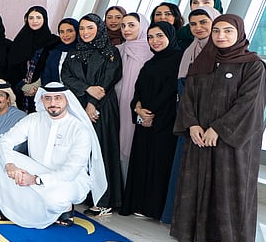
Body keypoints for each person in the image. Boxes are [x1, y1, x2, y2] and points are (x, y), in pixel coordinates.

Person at [172, 15, 266, 242]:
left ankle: (229, 240)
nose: (221, 36)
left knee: (230, 189)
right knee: (200, 182)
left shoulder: (252, 65)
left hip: (233, 141)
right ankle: (200, 233)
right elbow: (188, 97)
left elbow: (249, 104)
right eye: (216, 31)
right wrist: (192, 124)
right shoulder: (204, 61)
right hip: (200, 137)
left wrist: (219, 129)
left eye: (227, 31)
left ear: (239, 33)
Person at [0, 82, 105, 228]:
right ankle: (12, 209)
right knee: (1, 158)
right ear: (42, 100)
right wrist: (10, 165)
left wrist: (35, 179)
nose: (52, 103)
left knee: (55, 201)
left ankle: (65, 208)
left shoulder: (79, 129)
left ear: (67, 100)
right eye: (48, 98)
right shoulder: (33, 119)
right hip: (37, 170)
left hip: (68, 181)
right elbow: (4, 142)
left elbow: (70, 172)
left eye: (58, 98)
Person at [61, 13, 123, 216]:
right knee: (80, 150)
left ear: (99, 29)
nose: (85, 32)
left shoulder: (111, 51)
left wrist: (92, 105)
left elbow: (108, 80)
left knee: (102, 150)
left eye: (90, 28)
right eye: (82, 28)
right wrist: (87, 89)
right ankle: (85, 194)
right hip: (78, 106)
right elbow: (66, 77)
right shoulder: (74, 53)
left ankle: (105, 199)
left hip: (102, 108)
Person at [162, 6, 219, 225]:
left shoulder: (223, 52)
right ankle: (180, 220)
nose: (198, 28)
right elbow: (182, 89)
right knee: (184, 169)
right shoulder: (190, 52)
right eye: (193, 24)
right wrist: (191, 122)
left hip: (212, 123)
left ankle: (201, 226)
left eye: (204, 22)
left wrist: (210, 124)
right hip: (190, 121)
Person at [124, 22, 183, 219]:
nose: (154, 41)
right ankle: (139, 204)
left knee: (159, 164)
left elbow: (171, 91)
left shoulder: (178, 59)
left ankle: (154, 209)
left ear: (170, 37)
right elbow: (139, 89)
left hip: (165, 122)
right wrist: (138, 108)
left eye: (159, 36)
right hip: (144, 120)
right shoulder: (151, 62)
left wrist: (151, 113)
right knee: (142, 161)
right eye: (150, 37)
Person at [116, 12, 153, 178]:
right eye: (123, 26)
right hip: (119, 102)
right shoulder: (119, 50)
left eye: (131, 25)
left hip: (140, 106)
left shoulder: (151, 50)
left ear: (142, 27)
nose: (126, 29)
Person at [7, 6, 58, 112]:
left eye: (38, 17)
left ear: (44, 19)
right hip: (21, 93)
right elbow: (12, 66)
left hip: (44, 92)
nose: (34, 21)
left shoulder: (54, 42)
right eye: (31, 18)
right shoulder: (20, 41)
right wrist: (23, 86)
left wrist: (38, 86)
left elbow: (53, 66)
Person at [40, 18, 79, 86]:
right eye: (62, 32)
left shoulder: (83, 52)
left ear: (77, 31)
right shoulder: (54, 52)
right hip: (54, 90)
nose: (65, 35)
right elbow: (46, 76)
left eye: (69, 31)